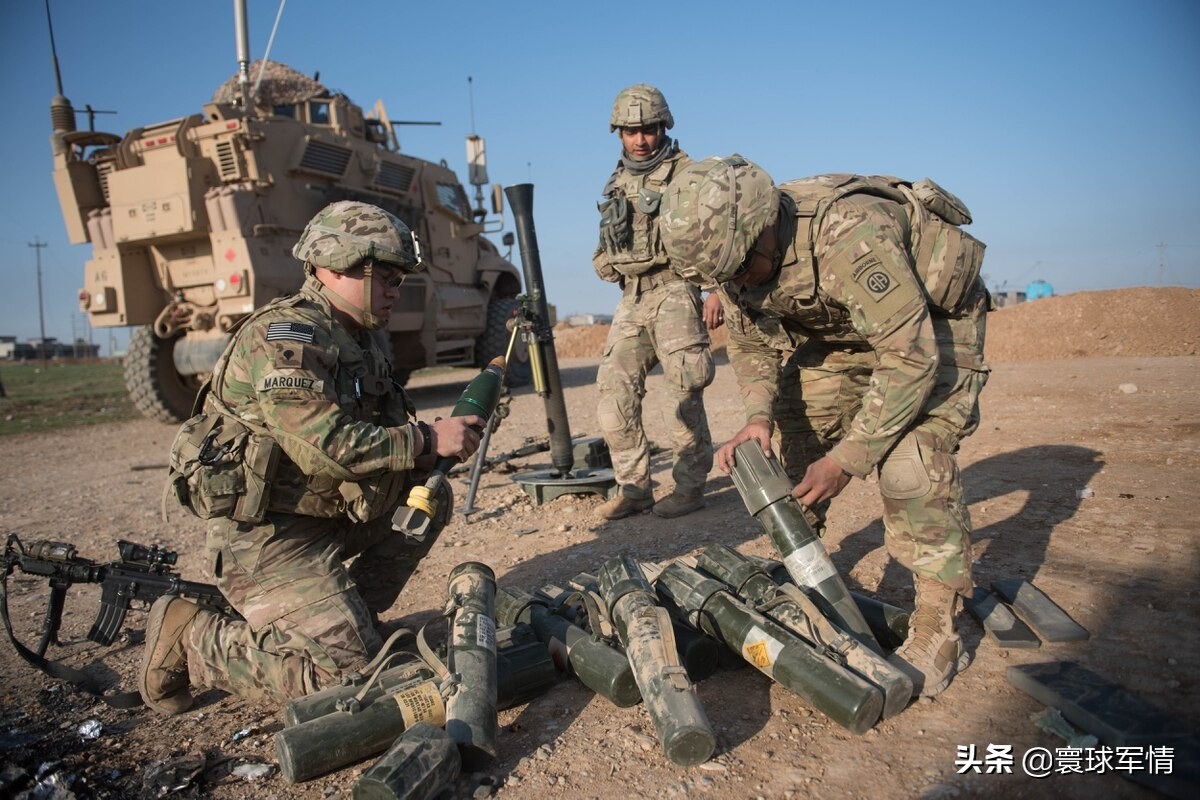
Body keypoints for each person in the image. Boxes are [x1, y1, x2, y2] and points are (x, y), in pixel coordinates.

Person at [660, 156, 990, 697]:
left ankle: (937, 620)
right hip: (849, 334)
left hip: (930, 329)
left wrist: (848, 459)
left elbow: (909, 357)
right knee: (797, 419)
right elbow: (748, 340)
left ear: (766, 225)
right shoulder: (735, 256)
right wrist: (758, 416)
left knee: (909, 460)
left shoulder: (851, 234)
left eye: (742, 268)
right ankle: (801, 559)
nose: (737, 281)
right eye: (726, 277)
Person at [140, 201, 483, 713]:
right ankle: (193, 640)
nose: (396, 289)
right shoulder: (285, 337)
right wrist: (427, 440)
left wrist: (423, 459)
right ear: (336, 267)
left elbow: (376, 437)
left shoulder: (358, 340)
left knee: (429, 497)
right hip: (267, 537)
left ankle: (350, 622)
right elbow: (327, 446)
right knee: (347, 680)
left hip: (323, 517)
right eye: (386, 276)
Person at [591, 83, 714, 520]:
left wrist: (715, 290)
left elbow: (716, 237)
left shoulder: (689, 175)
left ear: (664, 127)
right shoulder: (618, 179)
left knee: (682, 395)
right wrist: (603, 258)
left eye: (648, 129)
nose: (640, 139)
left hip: (676, 290)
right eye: (630, 131)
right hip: (632, 297)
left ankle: (690, 487)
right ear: (618, 133)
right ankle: (634, 487)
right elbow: (610, 234)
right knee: (613, 392)